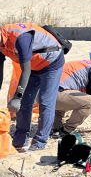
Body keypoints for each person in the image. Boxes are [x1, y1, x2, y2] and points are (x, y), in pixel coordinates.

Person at [0, 23, 64, 152]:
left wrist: (17, 96)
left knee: (45, 101)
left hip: (51, 63)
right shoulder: (1, 43)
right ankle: (20, 140)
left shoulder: (20, 38)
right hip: (33, 65)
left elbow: (26, 71)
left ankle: (39, 142)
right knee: (25, 102)